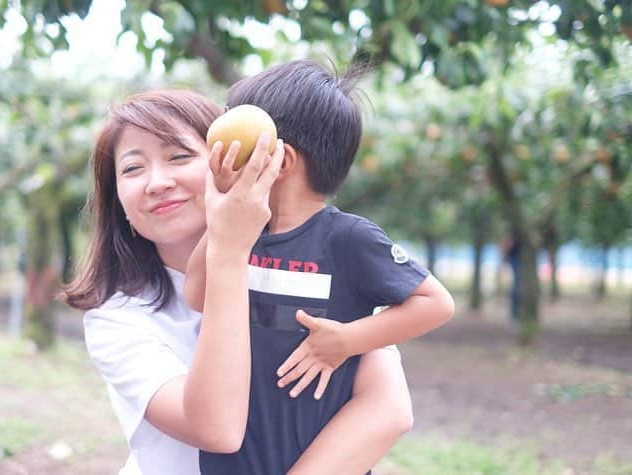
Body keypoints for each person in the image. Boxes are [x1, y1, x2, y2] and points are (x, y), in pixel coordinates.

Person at [64, 90, 418, 475]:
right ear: (119, 202)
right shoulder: (117, 319)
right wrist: (229, 250)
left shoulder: (313, 268)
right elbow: (217, 430)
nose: (157, 182)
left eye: (179, 156)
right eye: (132, 169)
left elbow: (387, 407)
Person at [183, 61, 456, 474]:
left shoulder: (347, 239)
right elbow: (197, 294)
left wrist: (349, 339)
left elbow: (435, 303)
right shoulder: (239, 234)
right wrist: (221, 218)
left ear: (282, 160)